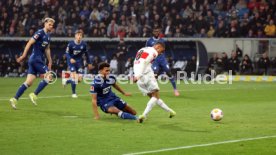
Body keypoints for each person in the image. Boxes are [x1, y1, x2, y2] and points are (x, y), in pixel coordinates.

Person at [9, 18, 55, 109]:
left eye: (52, 25)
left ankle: (14, 99)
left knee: (29, 82)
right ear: (45, 24)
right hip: (36, 59)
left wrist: (50, 60)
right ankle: (34, 94)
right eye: (49, 24)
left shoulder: (48, 36)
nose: (51, 26)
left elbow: (47, 49)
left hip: (36, 60)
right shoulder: (40, 33)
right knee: (49, 77)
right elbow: (30, 42)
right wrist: (23, 56)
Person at [133, 42, 176, 123]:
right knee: (155, 96)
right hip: (146, 75)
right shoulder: (154, 52)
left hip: (139, 78)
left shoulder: (142, 49)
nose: (161, 53)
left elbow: (137, 62)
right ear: (158, 47)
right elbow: (144, 61)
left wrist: (136, 75)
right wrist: (138, 75)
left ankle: (170, 111)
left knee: (154, 98)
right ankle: (144, 115)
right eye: (161, 51)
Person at [146, 27, 179, 96]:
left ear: (159, 32)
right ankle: (153, 90)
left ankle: (175, 89)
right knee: (155, 74)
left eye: (157, 31)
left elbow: (164, 50)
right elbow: (147, 50)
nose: (156, 32)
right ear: (153, 32)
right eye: (155, 31)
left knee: (168, 72)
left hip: (162, 59)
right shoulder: (149, 41)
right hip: (155, 60)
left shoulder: (162, 41)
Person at [63, 30, 93, 98]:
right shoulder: (70, 44)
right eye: (78, 35)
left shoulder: (84, 44)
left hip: (79, 62)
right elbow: (67, 53)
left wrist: (89, 63)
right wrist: (70, 59)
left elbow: (87, 54)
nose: (79, 37)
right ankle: (73, 93)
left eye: (80, 35)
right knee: (74, 77)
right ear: (75, 36)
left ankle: (67, 81)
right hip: (71, 62)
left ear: (82, 37)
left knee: (79, 80)